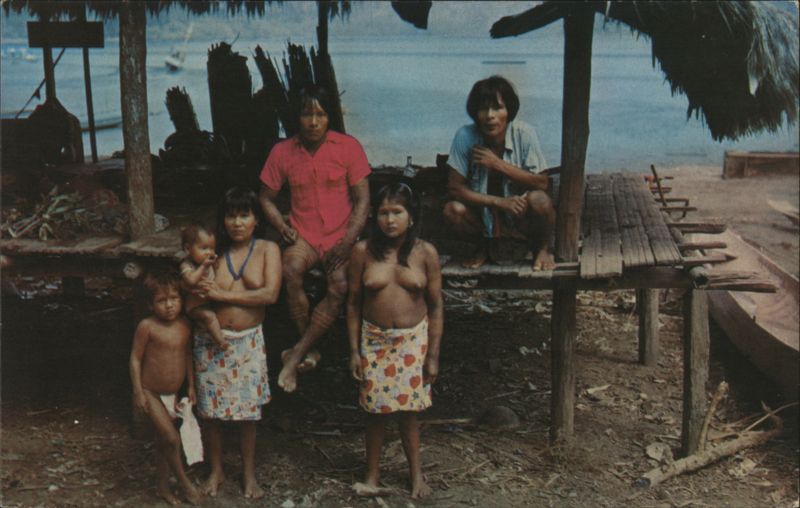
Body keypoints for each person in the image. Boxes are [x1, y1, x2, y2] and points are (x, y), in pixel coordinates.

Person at [259, 84, 371, 393]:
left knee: (340, 286)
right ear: (296, 117)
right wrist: (281, 226)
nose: (313, 121)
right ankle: (308, 348)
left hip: (340, 234)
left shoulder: (348, 147)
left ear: (329, 117)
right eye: (307, 114)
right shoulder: (282, 152)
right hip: (304, 234)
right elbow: (265, 198)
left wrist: (348, 240)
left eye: (320, 114)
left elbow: (363, 200)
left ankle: (296, 353)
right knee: (290, 269)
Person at [346, 183, 443, 499]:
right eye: (384, 213)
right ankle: (372, 475)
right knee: (375, 411)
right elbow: (353, 303)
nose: (390, 220)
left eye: (397, 212)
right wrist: (354, 351)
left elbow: (436, 305)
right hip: (374, 340)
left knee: (409, 412)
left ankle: (416, 476)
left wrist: (433, 356)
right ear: (375, 216)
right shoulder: (362, 252)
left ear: (411, 217)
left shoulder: (425, 254)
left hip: (413, 339)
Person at [192, 187, 282, 499]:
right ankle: (216, 469)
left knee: (247, 414)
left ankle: (248, 474)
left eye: (244, 215)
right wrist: (209, 313)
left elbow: (270, 294)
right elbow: (196, 295)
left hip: (248, 341)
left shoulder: (268, 250)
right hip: (211, 342)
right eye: (231, 216)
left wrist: (223, 295)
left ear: (257, 219)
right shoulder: (213, 253)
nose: (237, 222)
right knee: (211, 412)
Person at [443, 75, 557, 270]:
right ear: (474, 113)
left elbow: (543, 183)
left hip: (520, 219)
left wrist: (498, 164)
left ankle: (542, 250)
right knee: (453, 210)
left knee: (540, 200)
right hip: (483, 218)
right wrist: (500, 202)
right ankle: (482, 247)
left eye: (497, 108)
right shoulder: (465, 136)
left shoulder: (524, 133)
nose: (489, 116)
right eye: (483, 109)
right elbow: (454, 189)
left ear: (509, 111)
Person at [129, 270, 202, 506]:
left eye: (174, 299)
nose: (169, 305)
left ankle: (162, 487)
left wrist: (191, 386)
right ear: (150, 304)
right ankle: (184, 484)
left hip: (173, 394)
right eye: (162, 301)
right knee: (171, 439)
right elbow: (135, 359)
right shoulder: (147, 326)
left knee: (163, 443)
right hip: (151, 392)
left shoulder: (184, 325)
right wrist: (138, 391)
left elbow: (188, 355)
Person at [179, 223, 228, 350]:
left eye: (212, 248)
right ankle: (220, 342)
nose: (209, 253)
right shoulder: (187, 265)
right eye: (204, 248)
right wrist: (204, 266)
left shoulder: (211, 264)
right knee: (209, 316)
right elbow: (191, 280)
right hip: (195, 306)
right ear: (188, 249)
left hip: (209, 302)